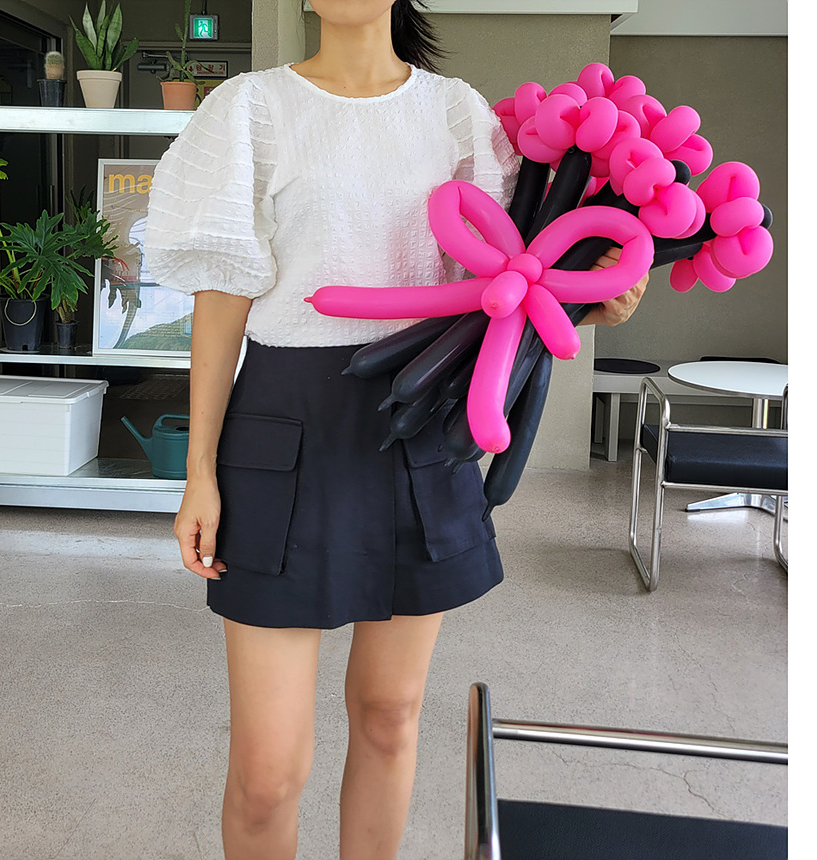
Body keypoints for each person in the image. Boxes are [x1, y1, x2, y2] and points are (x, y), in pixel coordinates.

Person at [143, 2, 648, 858]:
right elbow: (222, 299)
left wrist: (599, 300)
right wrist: (200, 471)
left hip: (420, 415)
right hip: (284, 420)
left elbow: (507, 278)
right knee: (268, 771)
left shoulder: (454, 112)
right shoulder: (251, 108)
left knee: (389, 716)